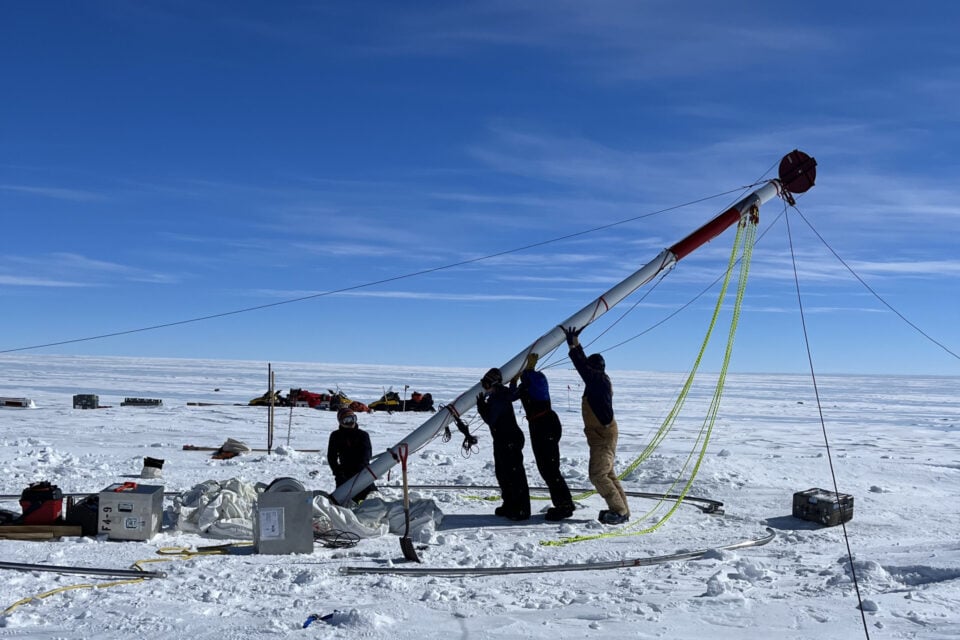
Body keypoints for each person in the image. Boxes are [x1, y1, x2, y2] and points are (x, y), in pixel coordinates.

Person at [563, 325, 630, 525]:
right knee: (607, 473)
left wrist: (573, 344)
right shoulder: (598, 380)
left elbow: (582, 366)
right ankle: (622, 510)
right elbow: (585, 366)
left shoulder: (597, 381)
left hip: (603, 435)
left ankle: (618, 511)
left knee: (598, 475)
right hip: (602, 435)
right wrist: (575, 342)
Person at [510, 352, 575, 521]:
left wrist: (522, 375)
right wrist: (516, 380)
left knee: (549, 468)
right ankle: (563, 503)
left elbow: (523, 391)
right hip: (542, 425)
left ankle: (565, 505)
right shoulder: (532, 384)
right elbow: (516, 393)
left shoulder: (536, 381)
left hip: (544, 426)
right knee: (547, 468)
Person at [476, 367, 531, 521]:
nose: (484, 387)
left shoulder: (498, 397)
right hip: (502, 440)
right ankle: (509, 504)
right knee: (503, 474)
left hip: (509, 440)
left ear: (494, 383)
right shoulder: (501, 394)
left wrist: (482, 407)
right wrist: (514, 383)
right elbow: (513, 394)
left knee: (515, 475)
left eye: (486, 384)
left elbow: (491, 419)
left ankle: (521, 509)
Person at [327, 407, 378, 502]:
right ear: (340, 422)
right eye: (346, 420)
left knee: (371, 499)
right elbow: (331, 457)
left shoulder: (363, 435)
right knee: (342, 501)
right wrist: (338, 473)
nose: (350, 422)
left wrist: (360, 472)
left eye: (352, 418)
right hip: (344, 473)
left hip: (362, 473)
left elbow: (366, 455)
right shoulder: (336, 436)